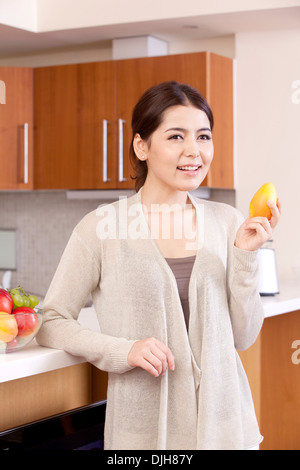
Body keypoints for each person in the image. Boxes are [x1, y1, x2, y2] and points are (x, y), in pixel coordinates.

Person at [37, 81, 281, 450]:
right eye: (175, 137)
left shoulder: (227, 222)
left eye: (203, 136)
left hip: (226, 429)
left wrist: (246, 256)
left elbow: (244, 337)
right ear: (142, 146)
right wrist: (124, 350)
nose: (193, 151)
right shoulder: (102, 227)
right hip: (146, 434)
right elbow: (50, 321)